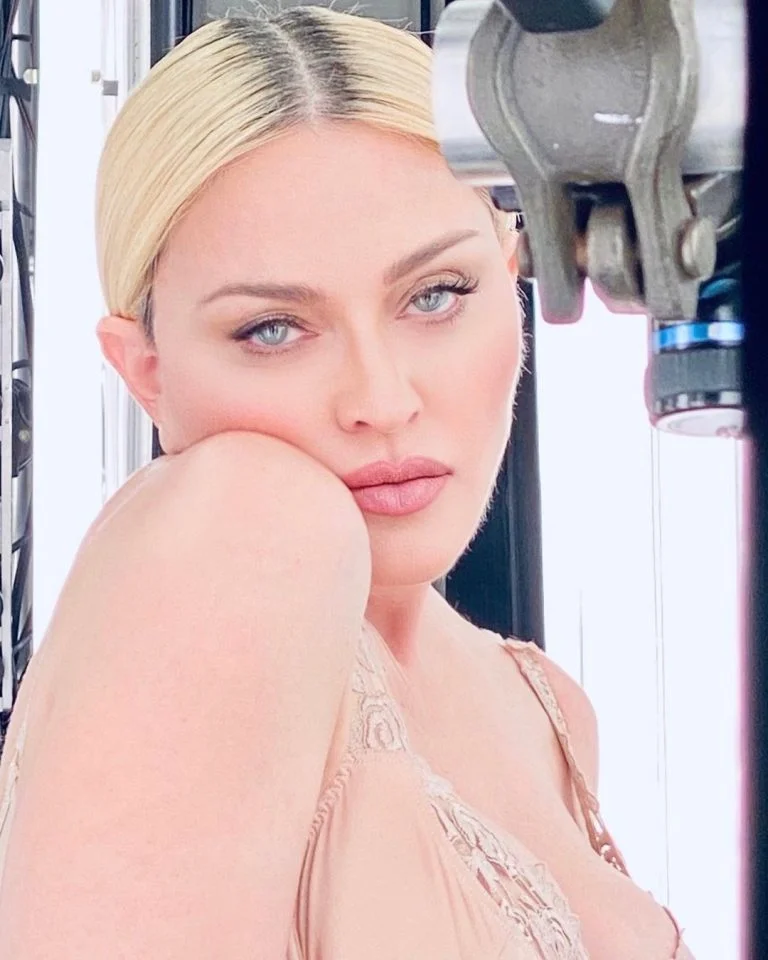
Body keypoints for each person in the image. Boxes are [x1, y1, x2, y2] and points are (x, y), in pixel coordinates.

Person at [0, 7, 694, 958]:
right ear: (145, 373)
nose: (382, 400)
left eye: (436, 295)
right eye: (272, 329)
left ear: (512, 278)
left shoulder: (545, 705)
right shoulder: (243, 529)